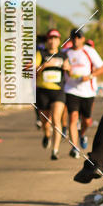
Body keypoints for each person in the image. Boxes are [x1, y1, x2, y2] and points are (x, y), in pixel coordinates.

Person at [65, 28, 103, 156]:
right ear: (70, 39)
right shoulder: (65, 52)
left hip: (88, 91)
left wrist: (90, 76)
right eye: (73, 37)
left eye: (78, 37)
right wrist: (65, 69)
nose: (76, 40)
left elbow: (101, 68)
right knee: (73, 118)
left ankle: (82, 134)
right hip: (71, 90)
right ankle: (74, 147)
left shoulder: (89, 51)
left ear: (83, 39)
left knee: (87, 121)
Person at [35, 29, 70, 160]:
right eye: (50, 38)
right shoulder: (40, 53)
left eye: (55, 38)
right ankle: (47, 135)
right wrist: (45, 65)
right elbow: (33, 70)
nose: (53, 41)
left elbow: (70, 72)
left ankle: (55, 150)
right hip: (43, 91)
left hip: (58, 91)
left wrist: (68, 68)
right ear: (47, 40)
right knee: (45, 123)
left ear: (59, 41)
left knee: (56, 119)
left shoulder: (63, 55)